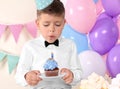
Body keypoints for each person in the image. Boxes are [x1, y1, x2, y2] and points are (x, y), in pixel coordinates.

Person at [15, 0, 82, 89]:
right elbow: (19, 75)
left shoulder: (70, 45)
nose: (51, 29)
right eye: (46, 24)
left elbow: (79, 72)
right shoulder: (30, 46)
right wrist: (26, 76)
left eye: (57, 24)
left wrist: (72, 75)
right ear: (38, 24)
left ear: (64, 23)